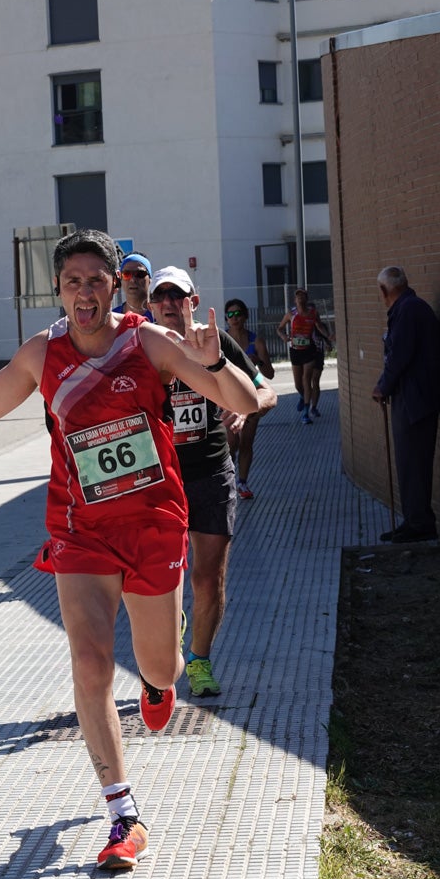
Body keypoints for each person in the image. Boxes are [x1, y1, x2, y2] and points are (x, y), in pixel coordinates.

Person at [0, 229, 258, 872]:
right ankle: (122, 813)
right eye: (72, 281)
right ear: (57, 289)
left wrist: (215, 363)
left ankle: (163, 682)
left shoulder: (149, 342)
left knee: (158, 668)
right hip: (79, 529)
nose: (84, 292)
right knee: (90, 663)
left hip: (154, 523)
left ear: (117, 285)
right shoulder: (41, 353)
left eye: (96, 280)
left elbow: (243, 402)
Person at [148, 267, 276, 698]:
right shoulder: (139, 348)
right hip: (160, 480)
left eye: (177, 295)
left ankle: (199, 661)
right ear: (149, 305)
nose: (168, 302)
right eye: (159, 295)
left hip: (211, 473)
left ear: (193, 301)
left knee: (208, 578)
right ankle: (161, 660)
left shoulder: (215, 342)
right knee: (160, 582)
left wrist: (244, 408)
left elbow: (266, 391)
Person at [371, 265, 440, 544]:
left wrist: (382, 386)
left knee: (413, 462)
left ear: (383, 290)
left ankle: (421, 523)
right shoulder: (406, 308)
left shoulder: (410, 310)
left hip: (416, 401)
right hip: (410, 397)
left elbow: (400, 354)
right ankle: (414, 519)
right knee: (407, 462)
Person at [224, 297, 275, 499]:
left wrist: (258, 363)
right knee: (231, 444)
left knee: (246, 443)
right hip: (227, 397)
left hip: (252, 396)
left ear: (245, 316)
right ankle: (229, 480)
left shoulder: (256, 341)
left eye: (238, 314)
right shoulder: (221, 340)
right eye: (230, 314)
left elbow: (269, 374)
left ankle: (242, 483)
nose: (234, 318)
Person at [276, 288, 330, 425]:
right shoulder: (291, 314)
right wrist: (283, 336)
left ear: (306, 299)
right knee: (298, 384)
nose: (300, 299)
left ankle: (306, 413)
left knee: (307, 379)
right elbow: (279, 328)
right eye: (297, 296)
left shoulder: (313, 313)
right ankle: (302, 396)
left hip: (309, 350)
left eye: (302, 296)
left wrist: (327, 336)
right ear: (295, 300)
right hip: (295, 350)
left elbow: (319, 326)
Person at [116, 252, 154, 321]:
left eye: (140, 274)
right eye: (126, 274)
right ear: (121, 279)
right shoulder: (112, 318)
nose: (133, 280)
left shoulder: (160, 316)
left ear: (150, 280)